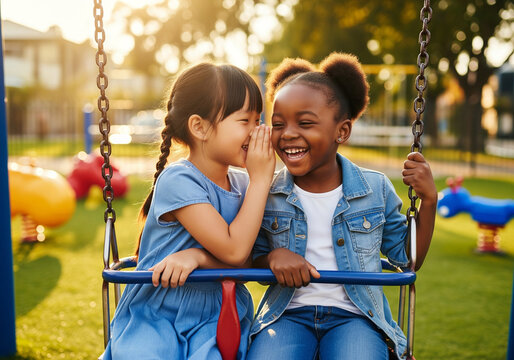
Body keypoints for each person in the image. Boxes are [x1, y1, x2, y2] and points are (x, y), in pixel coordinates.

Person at [247, 53, 437, 360]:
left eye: (305, 123)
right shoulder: (266, 191)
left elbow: (406, 258)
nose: (289, 134)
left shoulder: (374, 190)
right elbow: (248, 255)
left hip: (356, 317)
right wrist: (272, 257)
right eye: (279, 124)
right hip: (288, 315)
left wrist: (428, 201)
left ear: (342, 131)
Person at [102, 62, 275, 360]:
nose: (258, 131)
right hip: (158, 311)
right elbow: (233, 251)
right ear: (200, 127)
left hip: (218, 313)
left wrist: (196, 257)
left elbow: (245, 258)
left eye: (259, 120)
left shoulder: (244, 184)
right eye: (245, 120)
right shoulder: (179, 179)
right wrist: (261, 180)